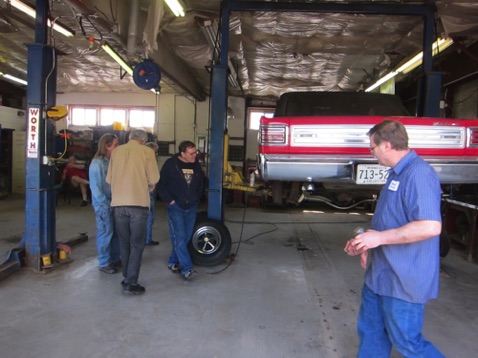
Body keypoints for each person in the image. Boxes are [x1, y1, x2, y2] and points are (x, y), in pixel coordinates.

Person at [344, 120, 445, 357]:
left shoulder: (419, 174)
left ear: (387, 145)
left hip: (403, 280)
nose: (371, 152)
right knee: (371, 334)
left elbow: (430, 226)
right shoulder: (396, 174)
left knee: (407, 343)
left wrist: (379, 238)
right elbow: (391, 221)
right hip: (380, 276)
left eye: (372, 148)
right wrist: (365, 239)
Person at [106, 130, 160, 295]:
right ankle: (131, 282)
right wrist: (147, 187)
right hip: (138, 205)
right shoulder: (147, 152)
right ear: (143, 141)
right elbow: (154, 178)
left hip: (118, 205)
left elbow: (108, 179)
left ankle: (126, 277)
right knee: (136, 245)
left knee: (124, 243)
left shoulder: (116, 152)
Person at [157, 140, 204, 281]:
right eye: (191, 153)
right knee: (180, 237)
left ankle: (172, 261)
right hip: (175, 207)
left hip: (191, 206)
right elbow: (161, 185)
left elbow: (201, 182)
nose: (194, 156)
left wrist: (197, 197)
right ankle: (187, 269)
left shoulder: (196, 165)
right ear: (182, 153)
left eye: (195, 153)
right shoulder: (171, 165)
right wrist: (170, 201)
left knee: (185, 237)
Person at [89, 133, 120, 274]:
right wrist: (104, 203)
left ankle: (114, 258)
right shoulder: (97, 164)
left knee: (115, 233)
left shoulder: (110, 162)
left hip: (113, 203)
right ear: (107, 146)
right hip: (103, 205)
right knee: (106, 233)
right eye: (115, 145)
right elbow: (95, 187)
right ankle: (104, 262)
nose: (117, 147)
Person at [145, 142, 160, 246]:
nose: (155, 155)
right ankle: (147, 239)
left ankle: (147, 238)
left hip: (150, 191)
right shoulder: (146, 161)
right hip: (147, 192)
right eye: (154, 152)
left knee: (150, 217)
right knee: (149, 217)